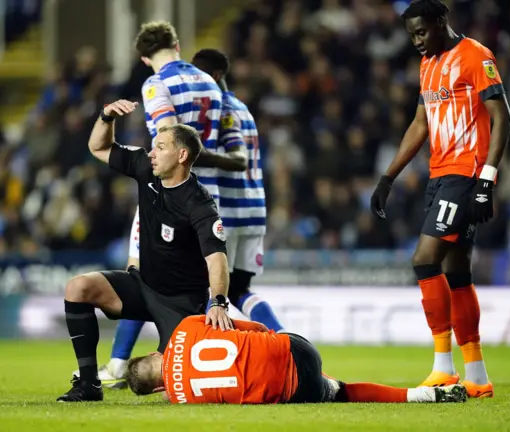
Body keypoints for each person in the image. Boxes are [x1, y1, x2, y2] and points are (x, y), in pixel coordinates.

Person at [370, 0, 510, 398]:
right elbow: (420, 124)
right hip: (439, 174)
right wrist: (388, 177)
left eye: (422, 32)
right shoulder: (428, 64)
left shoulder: (475, 55)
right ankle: (478, 376)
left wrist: (487, 178)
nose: (416, 41)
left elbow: (503, 117)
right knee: (457, 274)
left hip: (464, 174)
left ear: (441, 21)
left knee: (423, 259)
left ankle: (443, 367)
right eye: (411, 35)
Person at [57, 101, 233, 402]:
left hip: (181, 305)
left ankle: (162, 365)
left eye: (160, 148)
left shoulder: (200, 204)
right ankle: (89, 385)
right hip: (143, 284)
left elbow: (216, 259)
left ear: (181, 155)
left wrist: (218, 302)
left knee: (167, 386)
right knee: (78, 287)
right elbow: (98, 148)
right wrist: (106, 115)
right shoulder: (145, 168)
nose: (151, 153)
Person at [92, 20, 226, 388]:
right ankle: (186, 355)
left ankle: (120, 364)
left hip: (167, 187)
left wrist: (155, 162)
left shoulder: (155, 83)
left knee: (142, 272)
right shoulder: (209, 82)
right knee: (190, 280)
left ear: (143, 57)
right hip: (201, 193)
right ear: (178, 46)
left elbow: (166, 132)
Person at [124, 315, 468, 405]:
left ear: (158, 391)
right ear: (157, 352)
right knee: (279, 348)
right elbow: (256, 327)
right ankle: (430, 390)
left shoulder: (183, 399)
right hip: (295, 349)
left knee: (341, 392)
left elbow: (181, 390)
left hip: (296, 389)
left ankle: (425, 395)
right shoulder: (186, 326)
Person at [191, 48, 284, 332]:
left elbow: (237, 158)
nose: (195, 82)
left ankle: (208, 353)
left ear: (216, 75)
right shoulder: (242, 108)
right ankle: (282, 337)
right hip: (254, 209)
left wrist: (193, 152)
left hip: (229, 210)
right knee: (240, 288)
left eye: (199, 75)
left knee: (211, 288)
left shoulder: (221, 109)